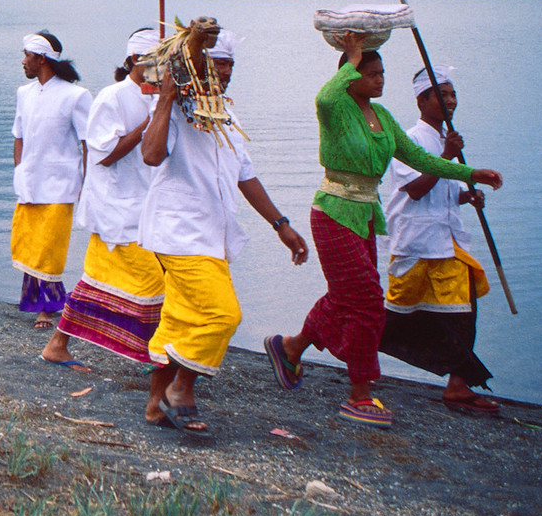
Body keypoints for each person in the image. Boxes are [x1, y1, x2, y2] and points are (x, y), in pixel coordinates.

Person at [265, 35, 502, 429]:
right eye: (370, 74)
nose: (379, 80)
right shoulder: (337, 109)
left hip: (365, 215)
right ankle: (360, 394)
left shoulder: (383, 117)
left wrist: (470, 173)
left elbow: (420, 158)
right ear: (350, 75)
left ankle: (289, 347)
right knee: (367, 302)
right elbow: (324, 98)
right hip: (334, 212)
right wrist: (350, 58)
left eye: (382, 74)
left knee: (348, 298)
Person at [140, 24, 308, 437]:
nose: (226, 73)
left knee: (180, 321)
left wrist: (281, 224)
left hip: (213, 235)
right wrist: (165, 98)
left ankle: (154, 404)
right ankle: (181, 389)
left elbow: (245, 176)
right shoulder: (176, 110)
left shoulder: (226, 116)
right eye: (217, 64)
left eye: (230, 65)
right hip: (178, 232)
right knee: (223, 314)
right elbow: (151, 154)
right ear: (196, 69)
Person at [376, 66, 500, 415]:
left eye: (452, 94)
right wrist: (446, 156)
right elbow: (415, 190)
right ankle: (328, 342)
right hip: (416, 241)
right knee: (395, 314)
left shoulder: (448, 139)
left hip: (446, 242)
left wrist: (468, 197)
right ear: (422, 100)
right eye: (442, 95)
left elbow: (446, 193)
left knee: (464, 308)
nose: (450, 101)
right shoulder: (411, 139)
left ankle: (458, 385)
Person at [43, 28, 162, 369]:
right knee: (151, 279)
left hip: (145, 203)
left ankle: (58, 343)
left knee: (100, 281)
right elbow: (105, 155)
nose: (159, 67)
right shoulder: (113, 96)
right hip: (116, 206)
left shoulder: (157, 97)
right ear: (133, 61)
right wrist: (146, 123)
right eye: (153, 60)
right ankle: (153, 354)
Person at [11, 31, 91, 327]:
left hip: (60, 183)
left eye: (26, 56)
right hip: (30, 181)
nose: (23, 62)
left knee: (49, 247)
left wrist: (89, 182)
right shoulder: (24, 93)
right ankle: (36, 302)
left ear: (41, 59)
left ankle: (49, 307)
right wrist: (19, 168)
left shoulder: (75, 95)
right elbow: (18, 135)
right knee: (28, 243)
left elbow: (88, 142)